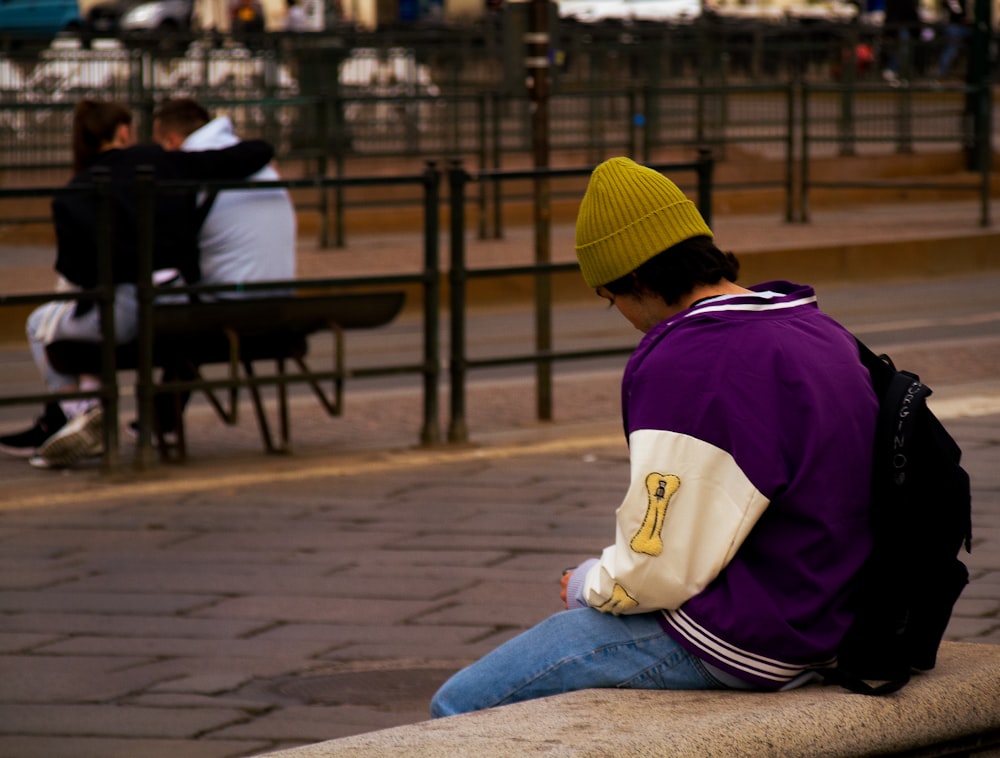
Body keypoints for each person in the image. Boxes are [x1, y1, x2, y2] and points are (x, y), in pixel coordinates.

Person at [430, 157, 880, 716]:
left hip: (754, 635)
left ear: (637, 280)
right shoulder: (815, 328)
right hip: (839, 610)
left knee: (461, 704)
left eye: (609, 295)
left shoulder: (694, 358)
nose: (618, 311)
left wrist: (588, 584)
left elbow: (660, 566)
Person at [0, 99, 274, 468]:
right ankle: (89, 416)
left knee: (42, 324)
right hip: (179, 305)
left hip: (127, 311)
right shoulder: (163, 161)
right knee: (90, 326)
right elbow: (254, 153)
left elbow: (78, 273)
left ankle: (83, 413)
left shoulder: (75, 192)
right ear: (124, 132)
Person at [145, 97, 297, 435]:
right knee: (191, 298)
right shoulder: (253, 160)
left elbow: (174, 250)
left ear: (172, 140)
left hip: (233, 308)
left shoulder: (191, 167)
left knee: (162, 307)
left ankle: (127, 416)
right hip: (280, 301)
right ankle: (159, 419)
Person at [936, 0, 971, 79]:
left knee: (953, 49)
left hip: (958, 27)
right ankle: (943, 73)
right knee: (951, 49)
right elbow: (957, 12)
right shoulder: (953, 2)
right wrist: (963, 18)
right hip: (954, 28)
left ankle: (947, 72)